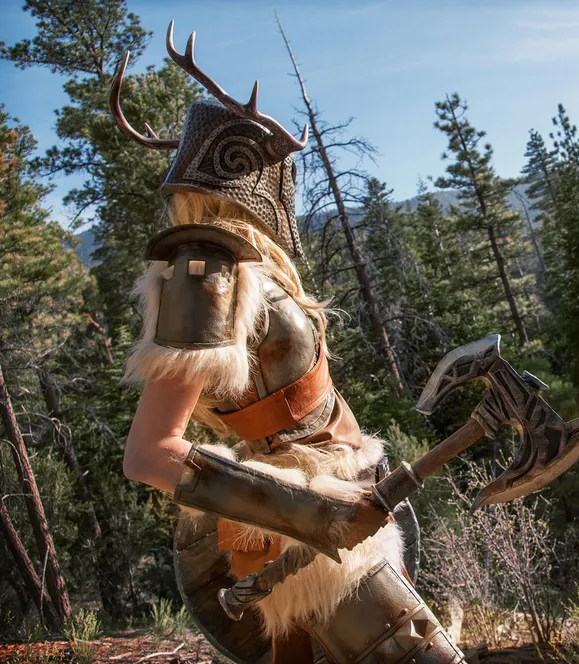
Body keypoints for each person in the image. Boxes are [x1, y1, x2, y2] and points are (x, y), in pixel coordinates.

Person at [112, 22, 465, 664]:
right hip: (303, 540)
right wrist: (315, 510)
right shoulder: (206, 275)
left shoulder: (241, 270)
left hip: (335, 513)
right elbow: (148, 454)